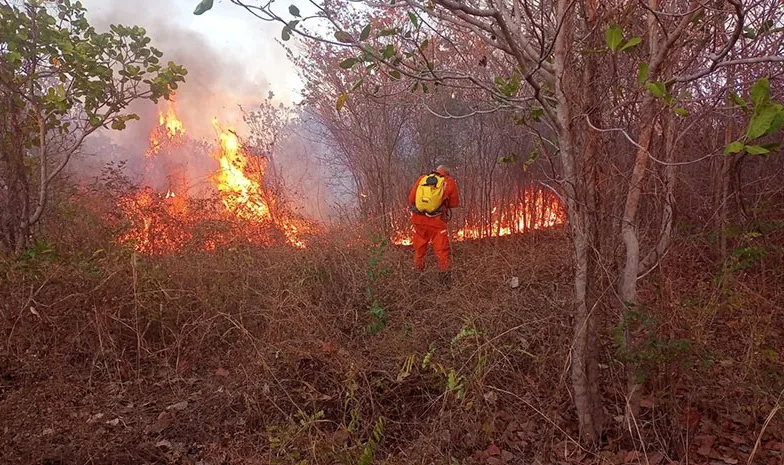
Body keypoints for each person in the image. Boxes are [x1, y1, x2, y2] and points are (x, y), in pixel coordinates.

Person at [408, 165, 460, 279]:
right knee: (442, 250)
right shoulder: (448, 181)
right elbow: (454, 203)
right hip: (437, 222)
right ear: (447, 173)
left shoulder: (422, 179)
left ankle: (417, 276)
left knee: (419, 249)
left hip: (419, 220)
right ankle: (445, 278)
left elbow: (411, 199)